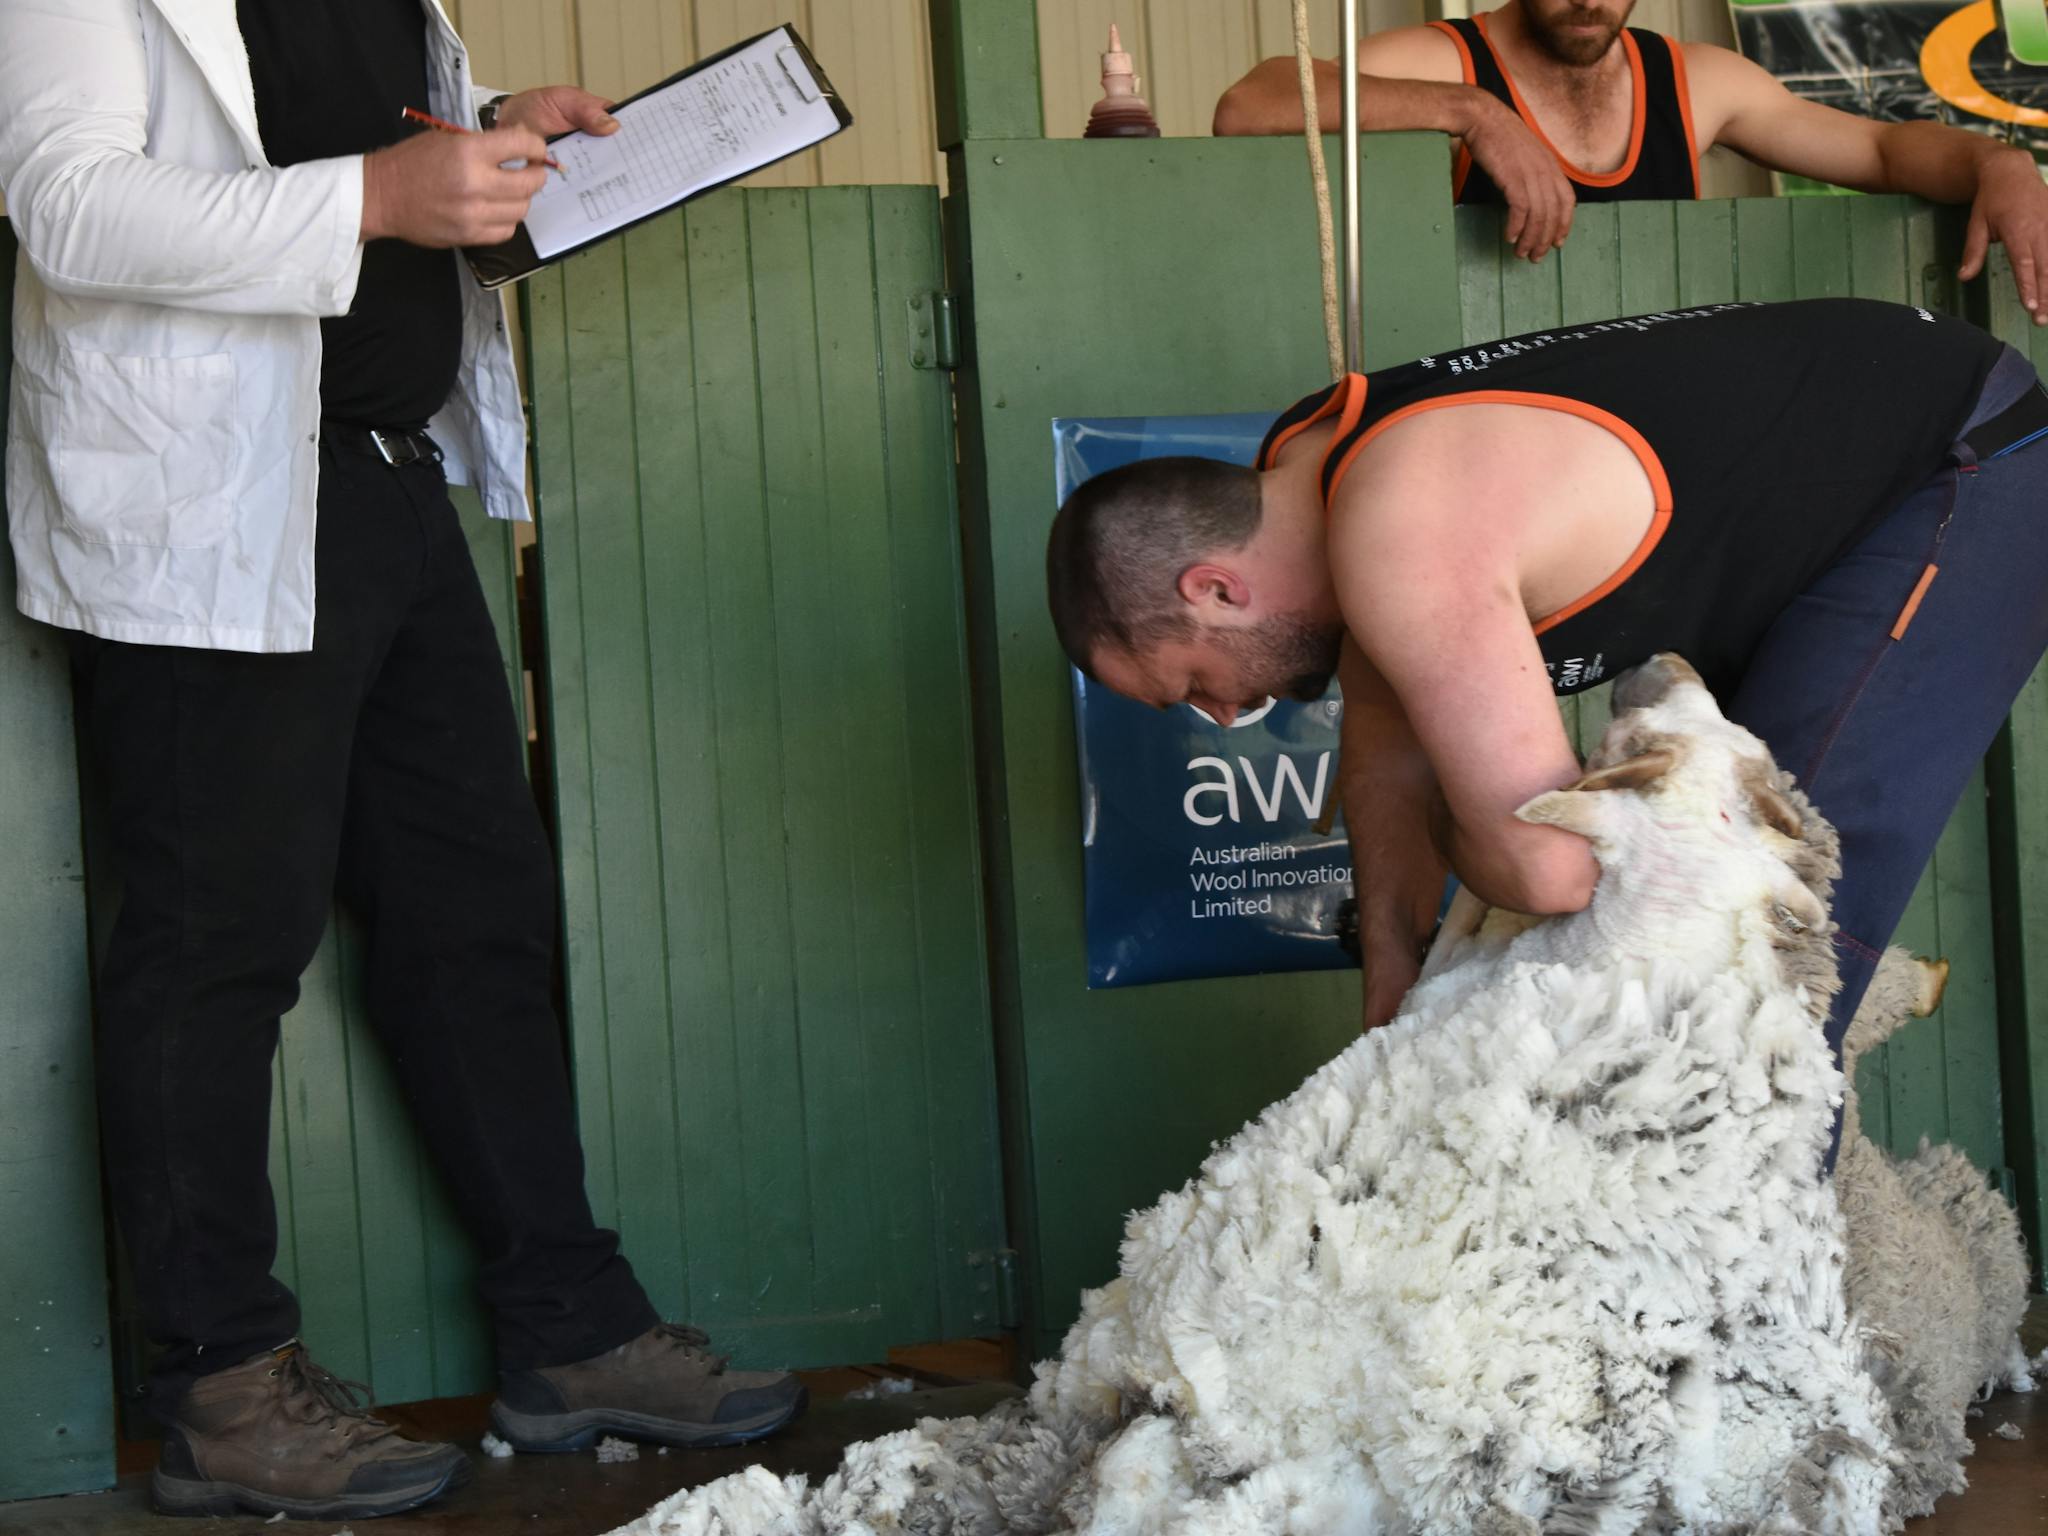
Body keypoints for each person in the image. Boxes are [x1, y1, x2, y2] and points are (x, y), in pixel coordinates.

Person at [0, 0, 803, 1521]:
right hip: (211, 503)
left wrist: (492, 142)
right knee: (212, 950)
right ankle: (223, 1390)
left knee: (478, 921)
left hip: (388, 478)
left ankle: (572, 1330)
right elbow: (69, 202)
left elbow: (310, 134)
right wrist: (378, 197)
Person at [1044, 297, 2048, 1146]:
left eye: (1190, 687)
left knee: (1761, 932)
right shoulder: (1310, 476)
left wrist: (1460, 802)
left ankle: (1741, 1342)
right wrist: (1386, 1045)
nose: (1224, 714)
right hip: (1833, 493)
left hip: (1952, 463)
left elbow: (1545, 869)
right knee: (1708, 940)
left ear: (1214, 589)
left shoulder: (1403, 535)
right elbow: (1381, 775)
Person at [1211, 0, 2048, 320]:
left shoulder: (1695, 81)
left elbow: (1877, 146)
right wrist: (1470, 114)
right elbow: (1251, 105)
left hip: (1650, 420)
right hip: (1485, 421)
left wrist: (1997, 163)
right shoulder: (1447, 62)